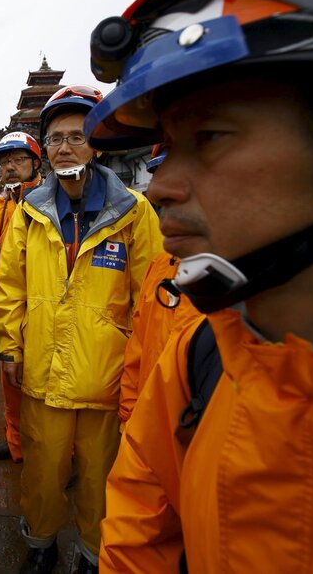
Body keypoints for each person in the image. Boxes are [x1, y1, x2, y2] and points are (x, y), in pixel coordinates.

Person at [84, 0, 313, 571]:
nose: (161, 186)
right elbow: (136, 540)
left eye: (212, 137)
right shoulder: (199, 360)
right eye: (166, 147)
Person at [0, 86, 162, 573]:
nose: (65, 147)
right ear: (44, 150)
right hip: (42, 371)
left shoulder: (134, 212)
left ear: (98, 144)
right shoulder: (30, 214)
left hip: (106, 377)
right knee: (42, 473)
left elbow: (149, 298)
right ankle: (41, 544)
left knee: (101, 476)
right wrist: (9, 348)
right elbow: (8, 287)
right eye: (55, 139)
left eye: (77, 136)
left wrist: (138, 366)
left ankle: (92, 553)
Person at [117, 149, 201, 428]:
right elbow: (138, 350)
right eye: (158, 175)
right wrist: (130, 419)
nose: (158, 192)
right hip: (149, 429)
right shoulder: (160, 266)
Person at [0, 131, 44, 463]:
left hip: (41, 301)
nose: (11, 168)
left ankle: (64, 452)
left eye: (18, 160)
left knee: (46, 382)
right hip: (6, 305)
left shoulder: (49, 199)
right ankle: (16, 442)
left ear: (35, 163)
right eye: (5, 162)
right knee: (9, 379)